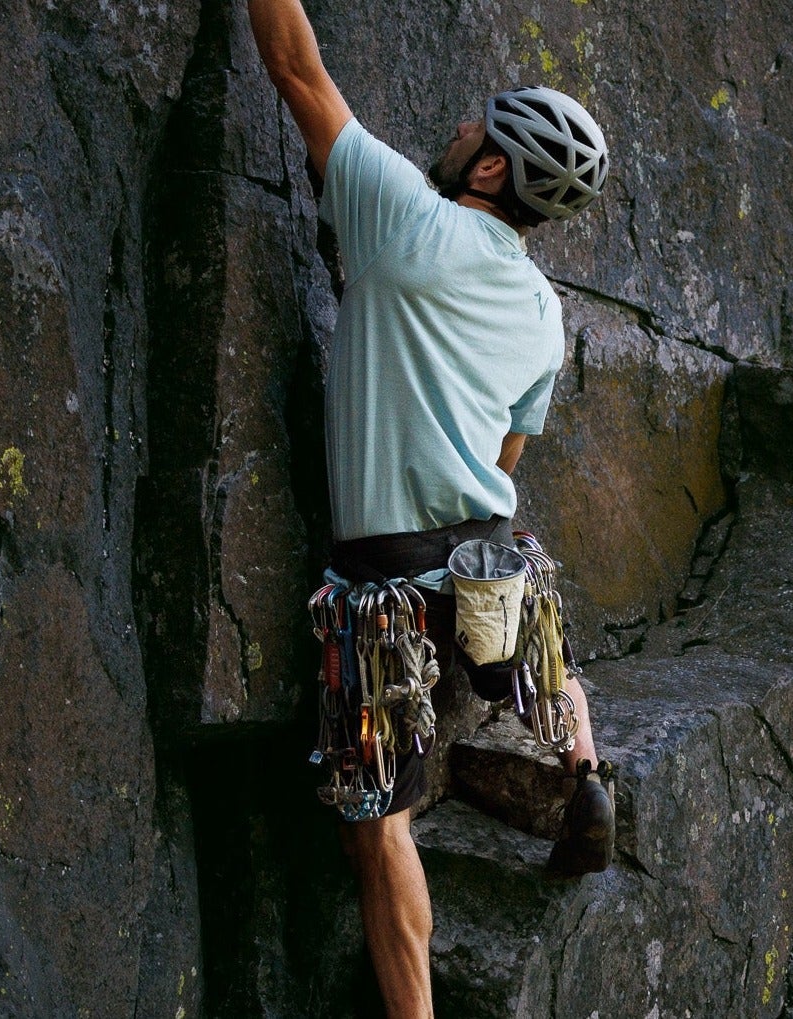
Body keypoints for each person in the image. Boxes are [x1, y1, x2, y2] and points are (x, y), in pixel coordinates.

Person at [246, 1, 615, 1015]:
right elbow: (505, 454)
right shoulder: (545, 316)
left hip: (387, 592)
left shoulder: (403, 215)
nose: (454, 130)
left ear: (493, 169)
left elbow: (294, 67)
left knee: (381, 823)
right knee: (502, 629)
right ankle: (572, 739)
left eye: (472, 128)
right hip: (490, 576)